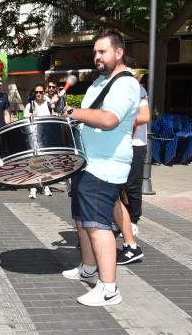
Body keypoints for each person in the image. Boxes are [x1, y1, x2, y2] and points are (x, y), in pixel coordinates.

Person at [61, 29, 139, 306]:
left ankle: (109, 289)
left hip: (105, 166)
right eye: (95, 52)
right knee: (83, 221)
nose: (97, 56)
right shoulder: (100, 82)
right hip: (87, 161)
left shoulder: (125, 85)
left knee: (98, 226)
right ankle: (88, 268)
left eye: (102, 51)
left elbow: (109, 119)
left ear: (119, 53)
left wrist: (74, 113)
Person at [114, 67, 150, 265]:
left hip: (136, 144)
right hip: (121, 144)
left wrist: (119, 121)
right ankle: (123, 222)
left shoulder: (139, 90)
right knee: (120, 185)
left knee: (133, 185)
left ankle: (134, 220)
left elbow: (144, 117)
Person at [24, 84, 54, 199]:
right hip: (34, 136)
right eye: (36, 92)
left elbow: (53, 116)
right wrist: (31, 116)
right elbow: (25, 120)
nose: (38, 94)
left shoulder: (48, 104)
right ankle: (33, 187)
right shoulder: (30, 105)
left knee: (45, 160)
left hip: (46, 136)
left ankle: (46, 185)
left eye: (40, 92)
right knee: (34, 160)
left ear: (44, 93)